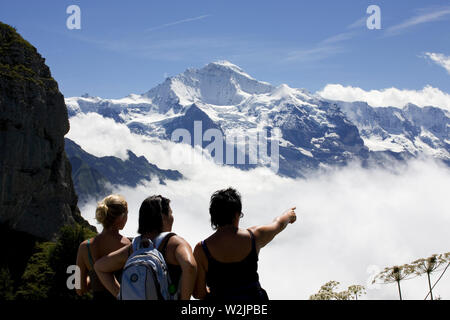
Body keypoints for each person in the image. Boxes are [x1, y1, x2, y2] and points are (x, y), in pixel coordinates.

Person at [193, 187, 297, 301]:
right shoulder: (254, 237)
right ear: (237, 214)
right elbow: (278, 224)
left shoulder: (202, 249)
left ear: (213, 215)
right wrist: (288, 215)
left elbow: (199, 293)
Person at [94, 195, 197, 300]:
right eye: (170, 213)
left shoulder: (136, 246)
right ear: (163, 216)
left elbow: (100, 267)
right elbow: (190, 266)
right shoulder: (174, 243)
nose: (172, 217)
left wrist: (122, 295)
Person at [76, 194, 131, 300]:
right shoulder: (127, 245)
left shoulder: (84, 247)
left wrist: (95, 277)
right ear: (121, 217)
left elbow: (79, 289)